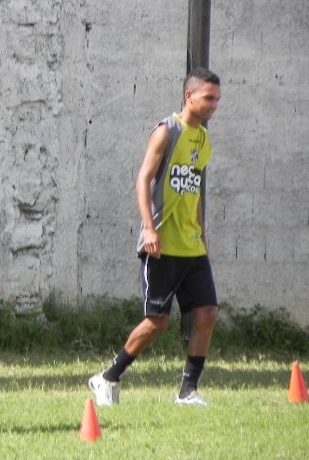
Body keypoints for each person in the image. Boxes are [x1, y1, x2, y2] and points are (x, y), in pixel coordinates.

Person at [89, 68, 221, 407]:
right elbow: (144, 179)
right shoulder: (167, 131)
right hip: (162, 245)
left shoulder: (203, 140)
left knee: (206, 313)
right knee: (158, 322)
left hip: (192, 247)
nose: (214, 105)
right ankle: (108, 378)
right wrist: (149, 227)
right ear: (189, 96)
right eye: (209, 98)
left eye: (217, 100)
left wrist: (203, 236)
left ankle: (188, 391)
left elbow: (196, 193)